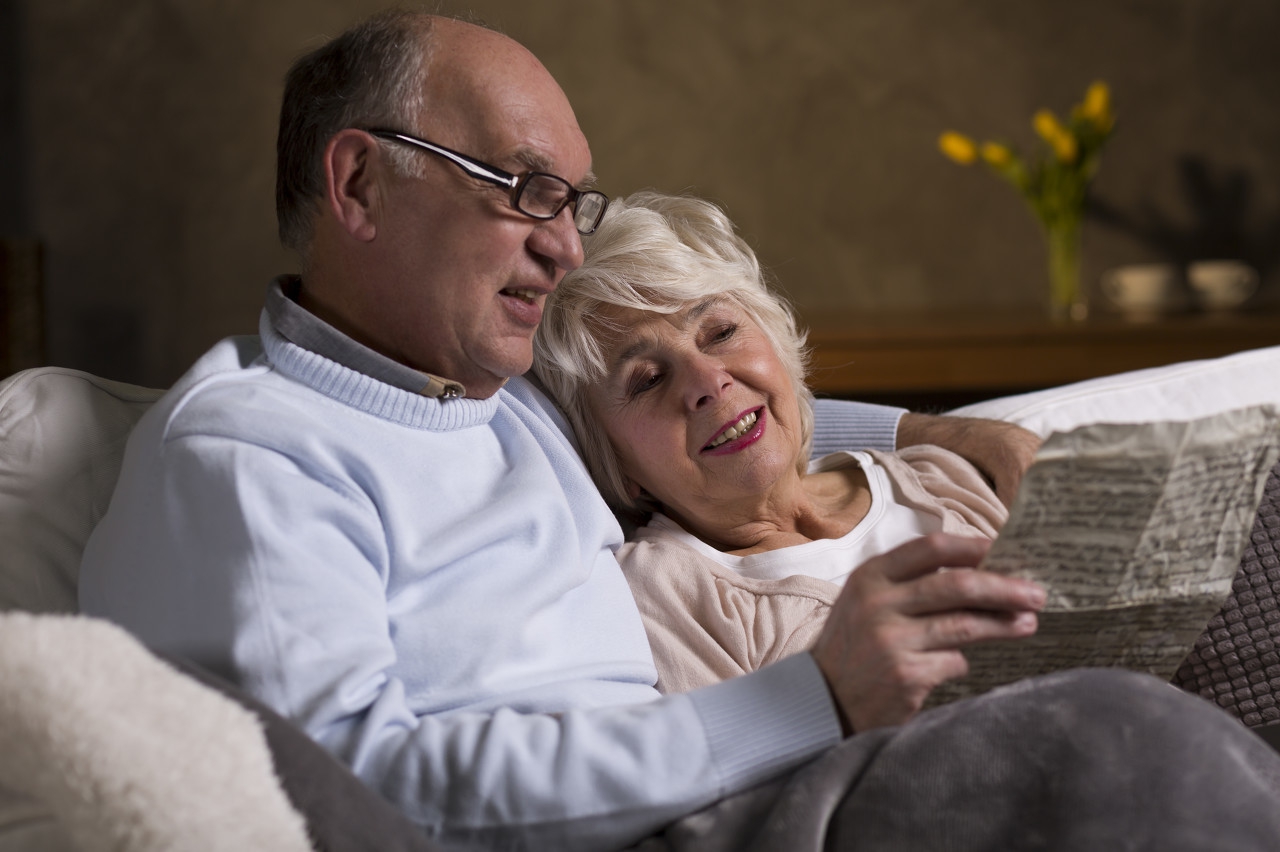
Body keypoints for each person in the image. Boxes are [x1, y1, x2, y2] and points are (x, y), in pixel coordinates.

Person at [77, 10, 1280, 852]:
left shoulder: (487, 403)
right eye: (523, 188)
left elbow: (720, 414)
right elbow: (365, 804)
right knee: (1115, 744)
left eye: (573, 199)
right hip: (682, 821)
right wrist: (807, 698)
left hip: (713, 801)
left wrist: (936, 428)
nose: (562, 241)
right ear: (358, 187)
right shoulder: (246, 456)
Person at [532, 190, 1012, 695]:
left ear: (776, 343)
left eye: (719, 332)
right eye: (648, 379)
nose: (708, 381)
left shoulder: (938, 476)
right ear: (613, 461)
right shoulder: (663, 596)